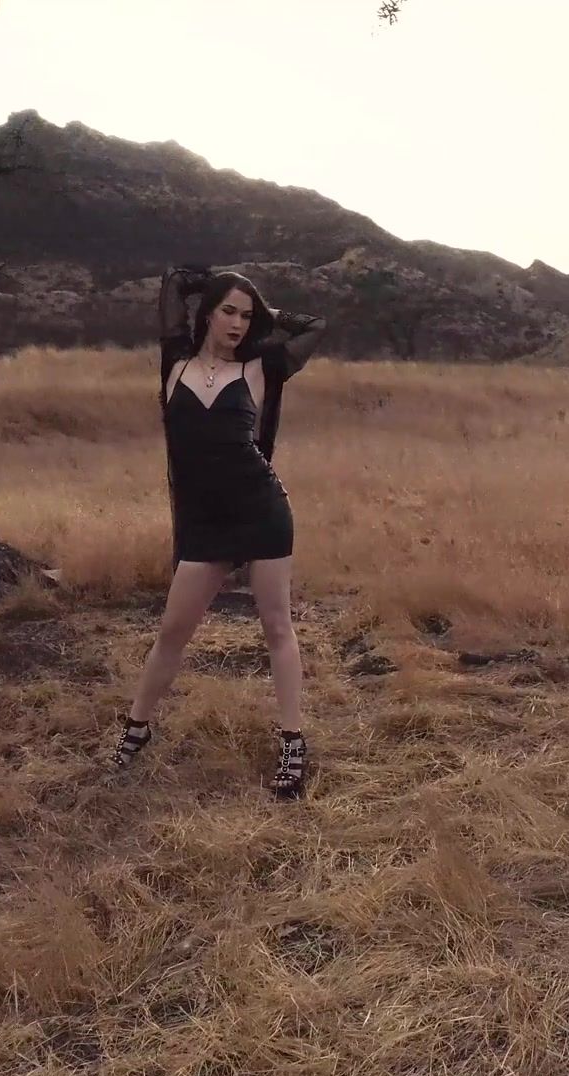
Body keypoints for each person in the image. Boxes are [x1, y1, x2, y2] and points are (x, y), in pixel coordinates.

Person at [110, 264, 328, 799]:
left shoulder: (262, 367)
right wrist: (217, 280)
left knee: (277, 627)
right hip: (206, 521)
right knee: (172, 632)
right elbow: (172, 282)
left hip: (261, 509)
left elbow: (314, 326)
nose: (237, 323)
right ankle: (137, 728)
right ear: (207, 312)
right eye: (228, 310)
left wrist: (266, 310)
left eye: (246, 316)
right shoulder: (175, 363)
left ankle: (293, 744)